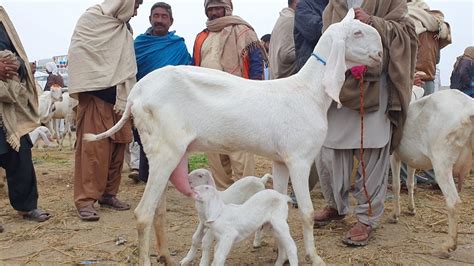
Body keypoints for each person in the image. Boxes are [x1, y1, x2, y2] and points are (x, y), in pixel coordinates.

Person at [314, 0, 417, 247]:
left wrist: (374, 22)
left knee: (372, 149)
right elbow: (325, 40)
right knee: (331, 148)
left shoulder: (391, 2)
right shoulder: (334, 5)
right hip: (341, 86)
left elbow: (407, 34)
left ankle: (366, 217)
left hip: (375, 87)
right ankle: (336, 205)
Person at [68, 0, 143, 221]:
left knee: (119, 148)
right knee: (94, 151)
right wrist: (102, 78)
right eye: (136, 5)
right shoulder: (92, 19)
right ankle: (85, 200)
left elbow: (125, 64)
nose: (136, 11)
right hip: (96, 98)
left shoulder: (124, 28)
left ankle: (109, 194)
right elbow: (80, 54)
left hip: (120, 100)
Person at [193, 0, 265, 188]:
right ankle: (224, 194)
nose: (215, 12)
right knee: (215, 151)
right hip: (208, 102)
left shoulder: (243, 30)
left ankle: (247, 193)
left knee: (240, 149)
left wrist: (254, 94)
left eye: (218, 8)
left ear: (228, 8)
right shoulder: (202, 36)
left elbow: (257, 64)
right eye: (211, 9)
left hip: (238, 100)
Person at [0, 6, 51, 232]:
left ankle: (27, 206)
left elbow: (18, 54)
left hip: (10, 106)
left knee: (19, 152)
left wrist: (17, 65)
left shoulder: (3, 18)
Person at [133, 1, 191, 182]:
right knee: (147, 139)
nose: (159, 20)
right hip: (146, 101)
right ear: (150, 19)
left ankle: (178, 177)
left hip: (172, 103)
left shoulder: (178, 45)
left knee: (176, 139)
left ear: (171, 21)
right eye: (156, 16)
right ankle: (147, 176)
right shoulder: (139, 44)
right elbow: (131, 71)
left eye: (164, 17)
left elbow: (187, 72)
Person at [407, 0, 451, 96]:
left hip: (413, 78)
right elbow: (437, 58)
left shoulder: (409, 20)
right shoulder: (438, 29)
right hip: (429, 76)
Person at [293, 0, 329, 72]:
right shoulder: (303, 6)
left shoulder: (337, 6)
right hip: (312, 69)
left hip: (333, 67)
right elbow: (316, 31)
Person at [268, 0, 299, 80]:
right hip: (286, 81)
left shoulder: (283, 18)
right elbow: (287, 54)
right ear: (296, 2)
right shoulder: (290, 19)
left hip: (278, 80)